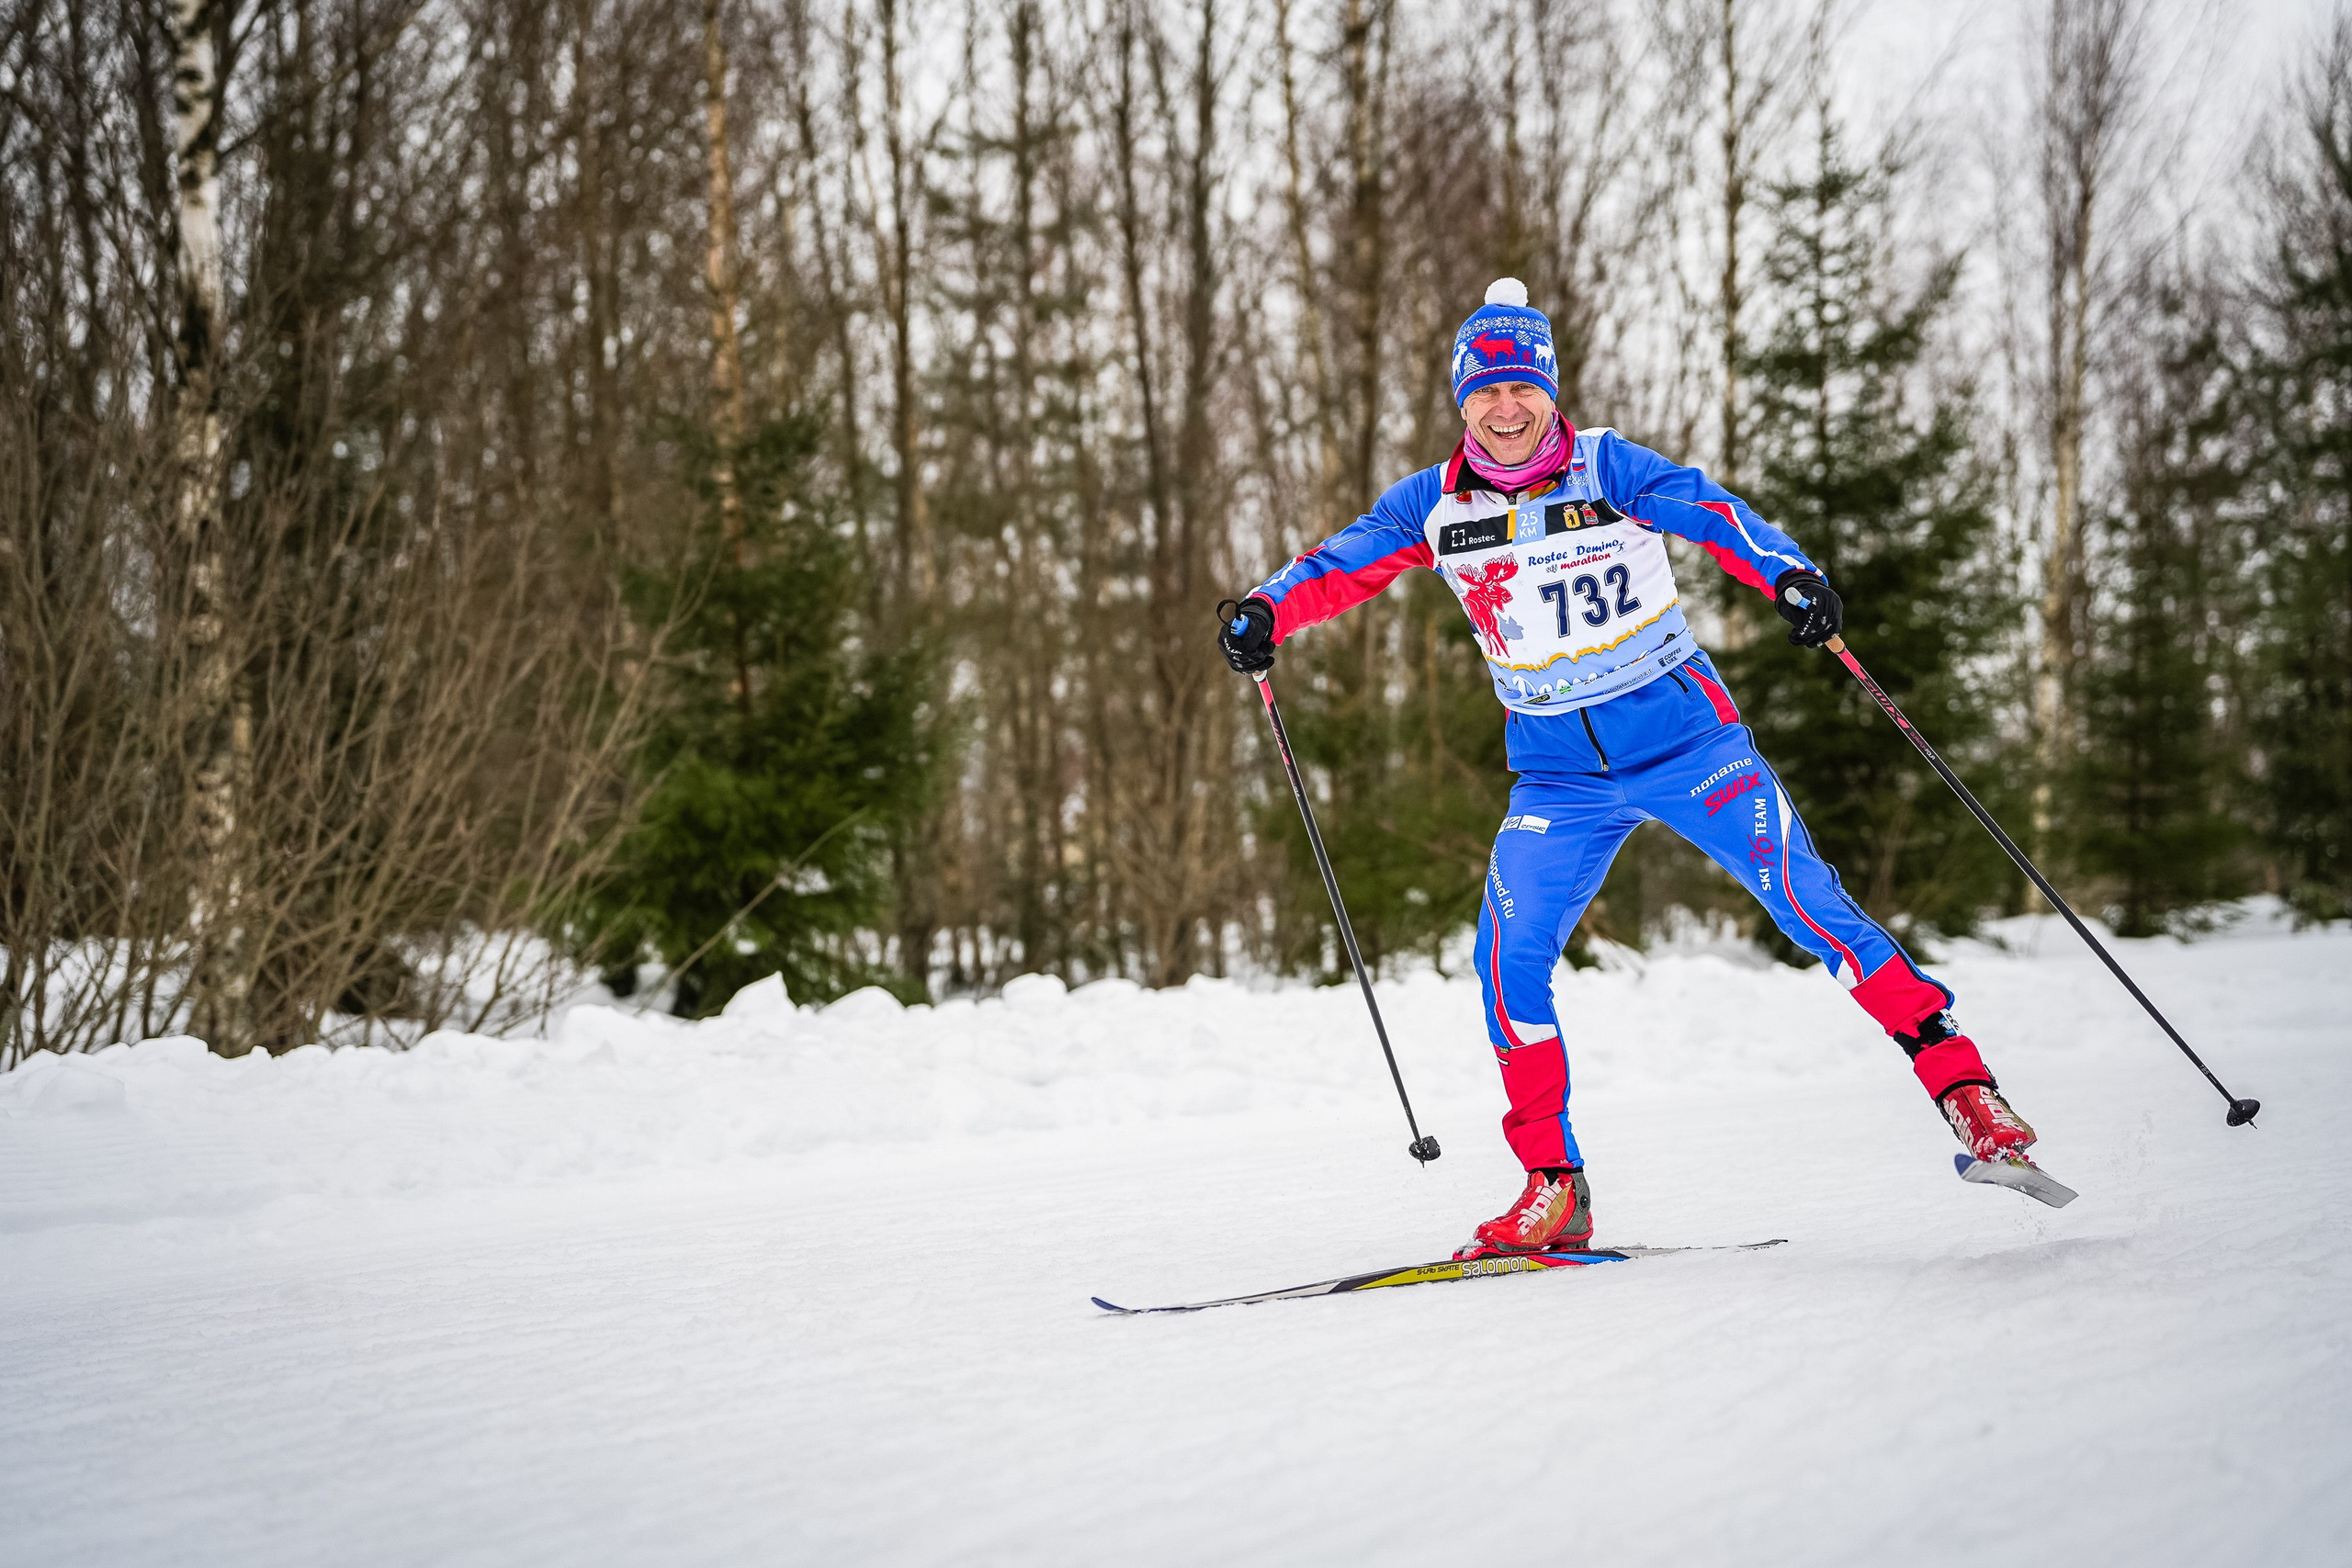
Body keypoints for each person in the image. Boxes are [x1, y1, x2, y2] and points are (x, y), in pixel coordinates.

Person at [1217, 278, 2039, 1260]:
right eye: (1485, 391)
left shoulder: (1608, 467)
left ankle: (1966, 1093)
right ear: (1460, 400)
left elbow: (1713, 514)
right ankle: (1554, 1187)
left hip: (1690, 747)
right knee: (1505, 959)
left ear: (1550, 391)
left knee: (1809, 905)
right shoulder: (1431, 506)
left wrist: (1787, 574)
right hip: (1556, 780)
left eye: (1522, 386)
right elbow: (1334, 565)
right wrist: (1264, 610)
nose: (1505, 407)